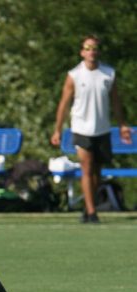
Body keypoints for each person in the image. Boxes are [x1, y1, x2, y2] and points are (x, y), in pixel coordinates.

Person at [51, 34, 131, 224]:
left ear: (98, 51)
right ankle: (92, 211)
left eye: (94, 48)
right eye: (87, 48)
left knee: (97, 171)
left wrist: (122, 125)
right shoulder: (74, 75)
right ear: (82, 52)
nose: (91, 52)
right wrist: (57, 129)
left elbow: (116, 102)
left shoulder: (108, 74)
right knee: (86, 169)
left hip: (102, 129)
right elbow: (64, 103)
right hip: (81, 128)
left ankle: (89, 206)